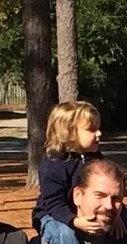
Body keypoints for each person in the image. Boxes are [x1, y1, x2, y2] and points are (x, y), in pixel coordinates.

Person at [32, 99, 104, 232]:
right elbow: (53, 202)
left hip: (82, 212)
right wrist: (74, 221)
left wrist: (117, 216)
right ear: (69, 133)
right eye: (91, 130)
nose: (99, 133)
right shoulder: (54, 163)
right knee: (65, 232)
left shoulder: (97, 159)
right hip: (52, 215)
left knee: (126, 216)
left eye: (98, 128)